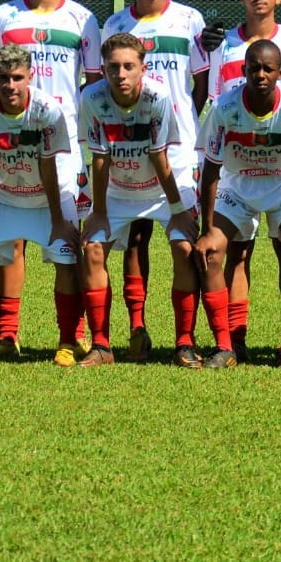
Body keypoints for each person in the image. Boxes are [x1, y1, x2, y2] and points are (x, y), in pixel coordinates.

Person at [0, 0, 100, 363]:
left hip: (64, 150)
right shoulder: (3, 16)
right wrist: (6, 119)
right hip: (11, 144)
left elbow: (95, 83)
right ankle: (6, 335)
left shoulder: (82, 19)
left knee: (68, 239)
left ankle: (70, 338)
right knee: (12, 242)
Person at [103, 0, 215, 364]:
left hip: (180, 148)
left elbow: (200, 85)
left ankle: (184, 339)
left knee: (184, 243)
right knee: (134, 239)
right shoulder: (115, 25)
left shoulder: (190, 20)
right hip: (126, 149)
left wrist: (182, 119)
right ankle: (137, 330)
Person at [196, 39, 281, 369]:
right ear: (243, 70)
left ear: (280, 73)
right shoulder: (225, 108)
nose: (260, 74)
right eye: (254, 68)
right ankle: (226, 346)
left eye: (268, 69)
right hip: (236, 186)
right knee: (211, 255)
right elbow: (210, 168)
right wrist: (207, 230)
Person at [0, 44, 82, 365]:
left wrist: (57, 221)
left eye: (17, 77)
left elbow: (49, 166)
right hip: (5, 196)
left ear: (30, 77)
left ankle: (69, 341)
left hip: (48, 197)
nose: (10, 85)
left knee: (66, 257)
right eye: (2, 78)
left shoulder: (47, 110)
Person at [75, 33, 197, 368]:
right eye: (113, 67)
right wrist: (98, 214)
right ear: (103, 69)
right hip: (117, 190)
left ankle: (184, 343)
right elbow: (99, 159)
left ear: (143, 68)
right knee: (93, 248)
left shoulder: (157, 96)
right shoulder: (92, 98)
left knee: (185, 248)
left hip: (159, 188)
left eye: (129, 66)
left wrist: (177, 211)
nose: (121, 74)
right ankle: (101, 346)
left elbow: (160, 158)